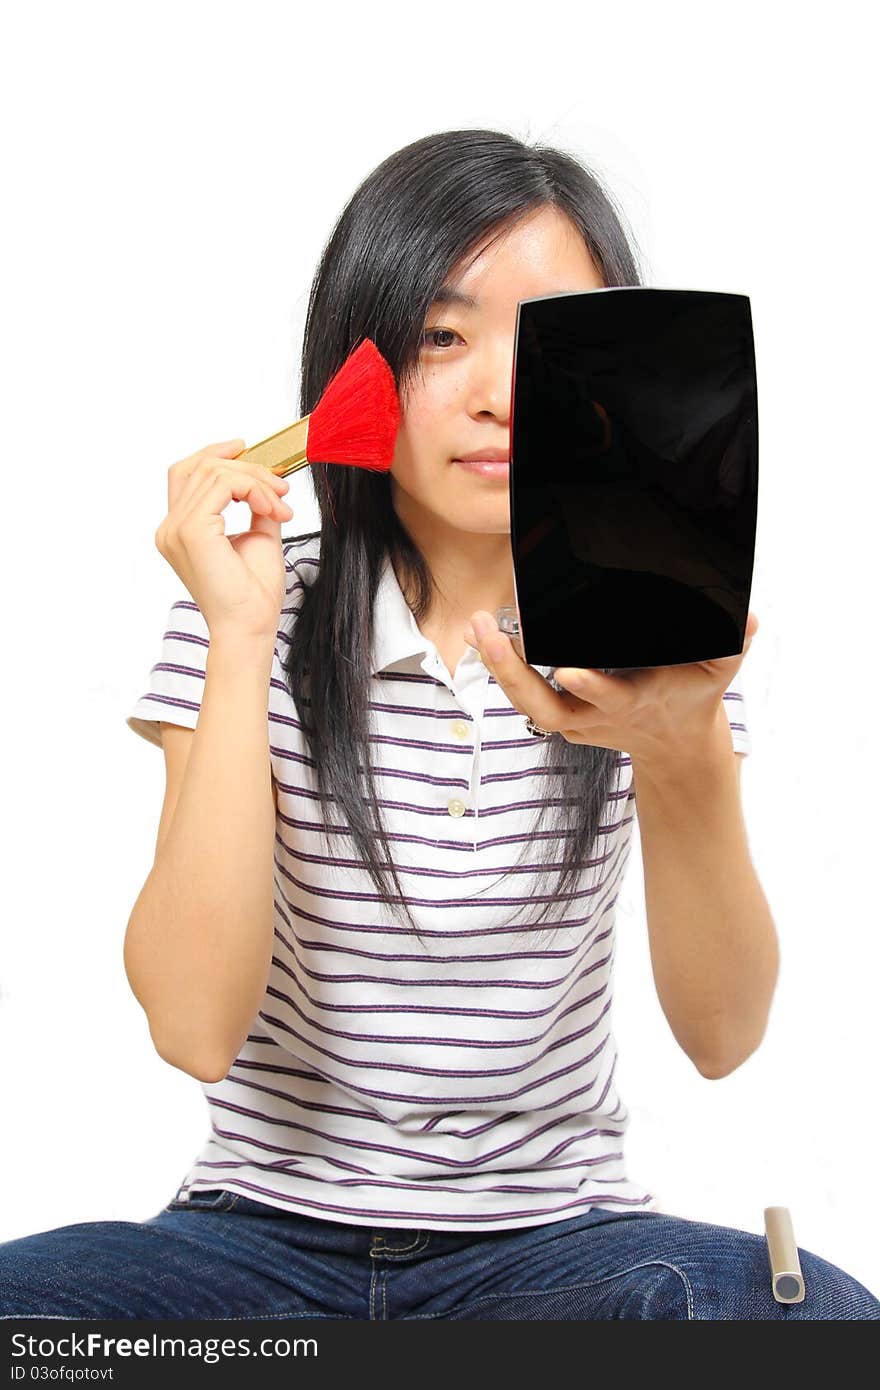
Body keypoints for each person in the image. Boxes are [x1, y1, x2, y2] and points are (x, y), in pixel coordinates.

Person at [2, 128, 877, 1321]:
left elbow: (722, 1036)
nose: (497, 391)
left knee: (802, 1319)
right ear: (355, 364)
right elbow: (194, 1029)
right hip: (253, 1243)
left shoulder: (657, 635)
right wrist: (244, 633)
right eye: (441, 335)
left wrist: (679, 748)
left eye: (550, 344)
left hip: (556, 1247)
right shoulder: (245, 613)